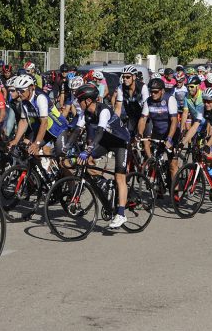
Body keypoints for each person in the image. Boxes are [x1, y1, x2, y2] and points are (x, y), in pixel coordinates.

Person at [66, 84, 131, 229]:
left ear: (88, 100)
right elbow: (77, 130)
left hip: (121, 142)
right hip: (106, 142)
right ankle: (104, 183)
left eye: (79, 99)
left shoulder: (104, 111)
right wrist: (67, 147)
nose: (77, 102)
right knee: (85, 161)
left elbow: (100, 132)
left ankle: (121, 214)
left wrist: (88, 149)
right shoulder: (85, 112)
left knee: (119, 176)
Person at [8, 75, 68, 157]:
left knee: (62, 160)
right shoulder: (24, 101)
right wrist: (15, 140)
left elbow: (44, 123)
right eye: (17, 91)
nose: (19, 94)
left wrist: (37, 144)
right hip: (45, 130)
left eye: (22, 91)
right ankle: (39, 169)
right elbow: (23, 121)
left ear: (31, 88)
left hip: (58, 128)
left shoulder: (40, 98)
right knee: (30, 152)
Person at [137, 78, 179, 185]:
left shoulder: (170, 99)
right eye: (151, 91)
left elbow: (174, 121)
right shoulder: (148, 101)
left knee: (173, 165)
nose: (153, 94)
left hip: (171, 133)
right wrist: (139, 134)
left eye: (156, 91)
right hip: (157, 133)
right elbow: (143, 119)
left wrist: (169, 138)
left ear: (162, 91)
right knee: (153, 159)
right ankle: (158, 185)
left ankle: (175, 194)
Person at [114, 65, 149, 136]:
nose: (125, 79)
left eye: (127, 77)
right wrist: (115, 121)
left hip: (144, 116)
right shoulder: (121, 87)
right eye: (123, 77)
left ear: (134, 77)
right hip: (132, 116)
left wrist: (141, 128)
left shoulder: (142, 87)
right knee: (129, 140)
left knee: (146, 144)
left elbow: (146, 107)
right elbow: (118, 108)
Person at [180, 75, 205, 146]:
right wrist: (182, 129)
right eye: (188, 86)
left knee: (201, 146)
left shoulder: (203, 95)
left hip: (204, 125)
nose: (189, 89)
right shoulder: (186, 97)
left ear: (198, 86)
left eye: (192, 86)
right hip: (195, 124)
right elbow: (185, 113)